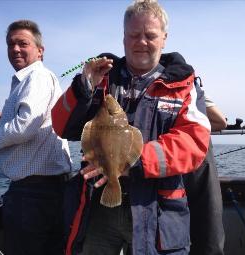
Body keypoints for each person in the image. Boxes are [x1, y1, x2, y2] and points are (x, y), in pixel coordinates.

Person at [52, 0, 211, 254]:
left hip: (157, 210)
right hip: (98, 211)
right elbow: (61, 126)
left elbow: (193, 143)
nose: (142, 42)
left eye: (150, 35)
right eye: (134, 35)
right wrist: (82, 89)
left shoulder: (183, 85)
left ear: (164, 38)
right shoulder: (102, 77)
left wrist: (132, 161)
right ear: (124, 37)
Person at [0, 20, 73, 255]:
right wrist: (4, 117)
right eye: (11, 44)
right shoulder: (28, 81)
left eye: (23, 43)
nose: (16, 49)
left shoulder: (37, 77)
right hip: (43, 192)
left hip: (34, 195)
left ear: (40, 51)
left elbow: (24, 126)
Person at [183, 89, 227, 255]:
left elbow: (220, 122)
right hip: (197, 165)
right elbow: (220, 122)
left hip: (189, 166)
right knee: (208, 227)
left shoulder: (190, 86)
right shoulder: (191, 83)